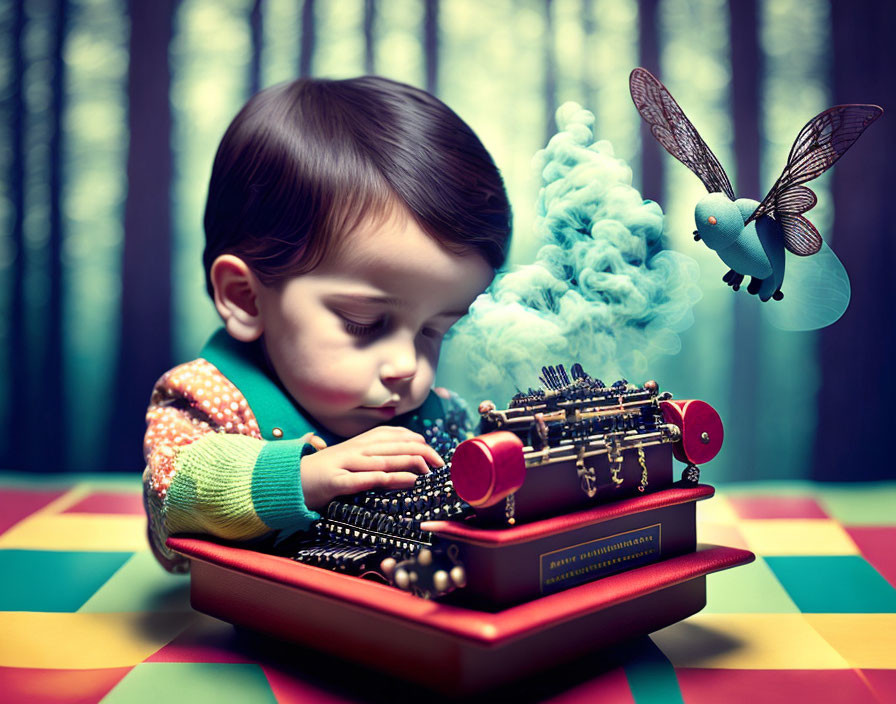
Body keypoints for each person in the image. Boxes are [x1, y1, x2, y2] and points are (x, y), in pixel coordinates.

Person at [143, 76, 512, 572]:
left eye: (435, 331)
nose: (408, 367)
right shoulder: (209, 397)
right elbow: (171, 499)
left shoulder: (438, 419)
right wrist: (302, 478)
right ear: (246, 296)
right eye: (364, 322)